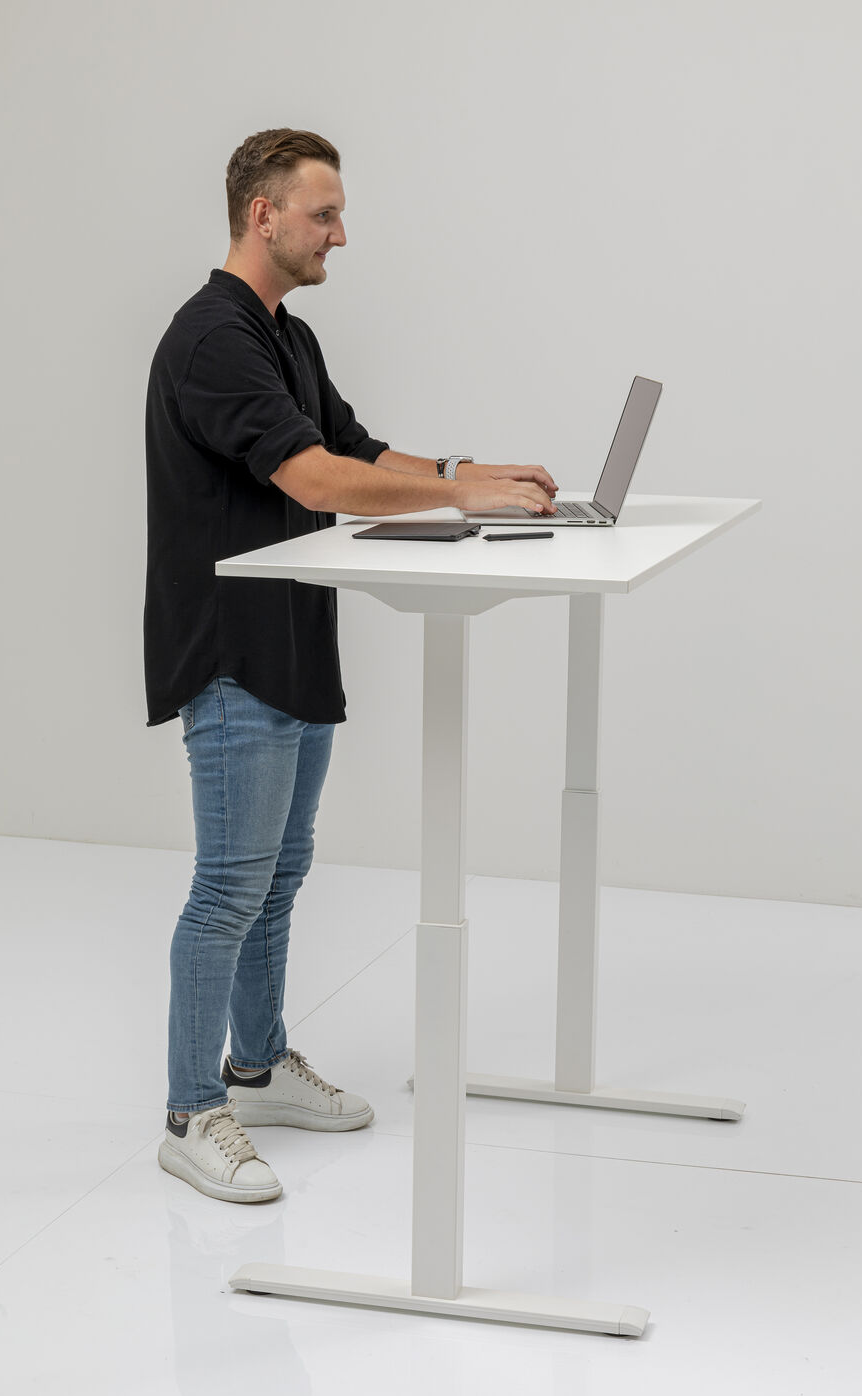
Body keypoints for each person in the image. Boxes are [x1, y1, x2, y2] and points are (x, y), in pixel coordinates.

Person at [145, 128, 557, 1203]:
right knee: (228, 887)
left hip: (292, 637)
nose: (340, 233)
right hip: (231, 650)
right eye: (322, 213)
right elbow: (316, 478)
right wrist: (462, 497)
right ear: (262, 215)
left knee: (279, 873)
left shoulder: (286, 335)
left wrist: (472, 468)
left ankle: (256, 1066)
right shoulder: (212, 338)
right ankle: (191, 1110)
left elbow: (360, 451)